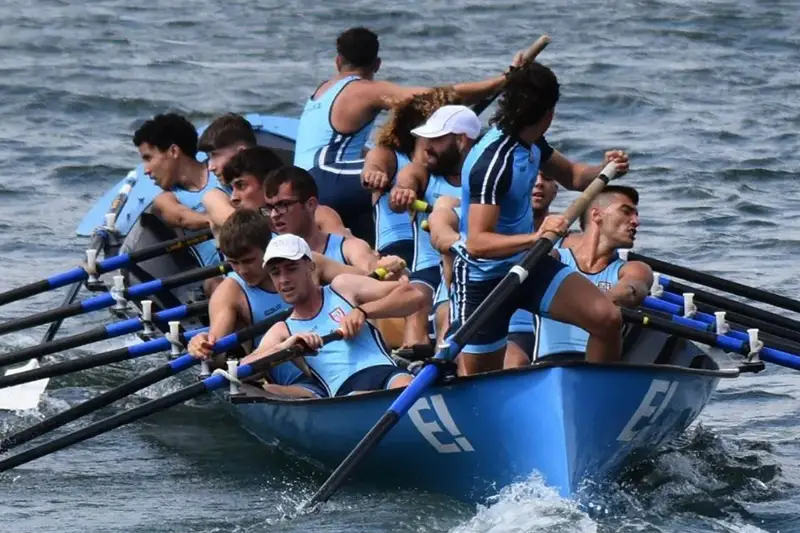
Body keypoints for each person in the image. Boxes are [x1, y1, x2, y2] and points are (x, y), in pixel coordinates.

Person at [416, 61, 631, 375]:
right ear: (549, 114)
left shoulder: (530, 143)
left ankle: (592, 403)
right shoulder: (493, 163)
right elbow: (477, 242)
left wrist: (605, 168)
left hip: (529, 267)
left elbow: (572, 176)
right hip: (483, 281)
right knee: (483, 384)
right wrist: (536, 237)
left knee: (607, 319)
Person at [293, 26, 513, 244]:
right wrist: (500, 82)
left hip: (304, 178)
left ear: (338, 61)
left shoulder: (325, 88)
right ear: (377, 64)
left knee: (387, 165)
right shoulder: (364, 89)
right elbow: (431, 98)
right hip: (326, 176)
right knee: (406, 168)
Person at [186, 209, 366, 397]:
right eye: (234, 263)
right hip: (299, 384)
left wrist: (386, 267)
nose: (242, 270)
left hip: (346, 360)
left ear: (268, 249)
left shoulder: (306, 262)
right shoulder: (229, 292)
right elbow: (215, 355)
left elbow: (366, 279)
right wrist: (200, 346)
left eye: (248, 261)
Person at [242, 234, 425, 397]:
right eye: (275, 273)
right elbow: (240, 372)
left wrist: (363, 311)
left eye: (291, 268)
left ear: (310, 267)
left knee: (407, 386)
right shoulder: (283, 329)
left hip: (388, 373)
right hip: (345, 394)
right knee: (360, 399)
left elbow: (414, 295)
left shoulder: (343, 287)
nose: (283, 279)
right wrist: (284, 347)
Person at [387, 105, 481, 347]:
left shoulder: (485, 180)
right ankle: (414, 356)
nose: (427, 146)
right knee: (417, 298)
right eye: (427, 139)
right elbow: (405, 183)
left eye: (437, 139)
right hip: (429, 270)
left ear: (462, 141)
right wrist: (403, 193)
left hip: (472, 267)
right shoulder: (423, 174)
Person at [533, 186, 652, 361]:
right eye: (626, 212)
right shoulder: (555, 257)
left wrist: (609, 300)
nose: (636, 221)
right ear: (596, 215)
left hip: (597, 367)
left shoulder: (635, 268)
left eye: (636, 215)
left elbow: (632, 290)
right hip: (548, 363)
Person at [360, 87, 464, 268]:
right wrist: (374, 175)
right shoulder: (389, 156)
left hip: (439, 247)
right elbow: (372, 168)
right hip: (398, 248)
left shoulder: (445, 168)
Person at [198, 124, 348, 237]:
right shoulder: (215, 197)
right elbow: (240, 228)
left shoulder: (319, 214)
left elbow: (347, 245)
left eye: (215, 155)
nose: (233, 198)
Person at [262, 165, 404, 274]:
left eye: (283, 205)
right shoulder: (266, 256)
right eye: (269, 208)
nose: (274, 214)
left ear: (311, 205)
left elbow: (371, 269)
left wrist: (381, 267)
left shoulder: (349, 248)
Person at [133, 113, 221, 268]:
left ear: (173, 151)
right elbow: (182, 218)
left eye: (148, 158)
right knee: (211, 284)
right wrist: (219, 221)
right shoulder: (164, 200)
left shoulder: (220, 171)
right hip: (221, 275)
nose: (146, 170)